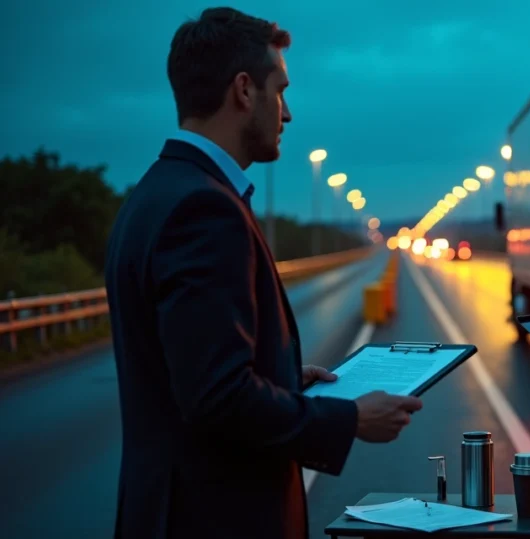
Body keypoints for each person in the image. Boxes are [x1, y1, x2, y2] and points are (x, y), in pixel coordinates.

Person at [104, 8, 422, 539]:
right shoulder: (205, 209)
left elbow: (187, 372)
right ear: (244, 90)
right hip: (216, 521)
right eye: (281, 91)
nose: (288, 113)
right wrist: (349, 420)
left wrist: (280, 382)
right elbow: (217, 398)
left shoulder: (153, 194)